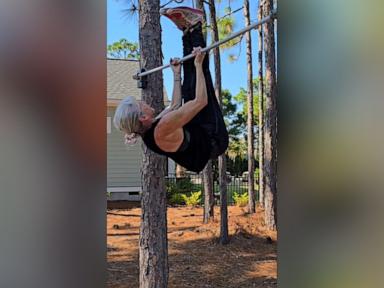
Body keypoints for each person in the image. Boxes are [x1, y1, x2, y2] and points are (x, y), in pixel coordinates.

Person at [114, 7, 229, 173]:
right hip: (214, 139)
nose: (144, 102)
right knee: (199, 75)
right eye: (141, 104)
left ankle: (187, 30)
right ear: (143, 116)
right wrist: (197, 65)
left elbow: (174, 106)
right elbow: (201, 101)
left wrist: (176, 74)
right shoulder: (161, 128)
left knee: (189, 86)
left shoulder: (150, 128)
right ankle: (195, 27)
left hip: (197, 132)